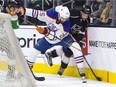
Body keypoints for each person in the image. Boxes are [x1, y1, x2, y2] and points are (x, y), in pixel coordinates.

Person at [44, 5, 91, 82]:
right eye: (84, 14)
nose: (85, 17)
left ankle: (52, 55)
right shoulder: (74, 13)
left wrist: (79, 41)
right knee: (68, 51)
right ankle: (63, 67)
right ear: (81, 12)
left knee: (68, 49)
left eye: (87, 15)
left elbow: (81, 31)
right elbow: (64, 13)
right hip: (65, 32)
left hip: (74, 35)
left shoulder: (86, 21)